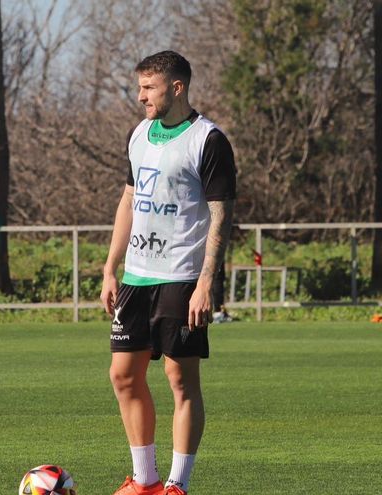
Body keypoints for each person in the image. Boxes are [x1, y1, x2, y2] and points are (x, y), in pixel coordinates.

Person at [100, 51, 236, 495]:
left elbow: (220, 217)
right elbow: (128, 201)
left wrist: (205, 283)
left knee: (180, 380)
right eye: (140, 87)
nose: (140, 97)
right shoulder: (139, 133)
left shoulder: (208, 140)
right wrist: (110, 267)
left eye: (148, 88)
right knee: (123, 375)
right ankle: (144, 480)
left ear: (176, 87)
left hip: (181, 277)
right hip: (137, 278)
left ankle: (177, 485)